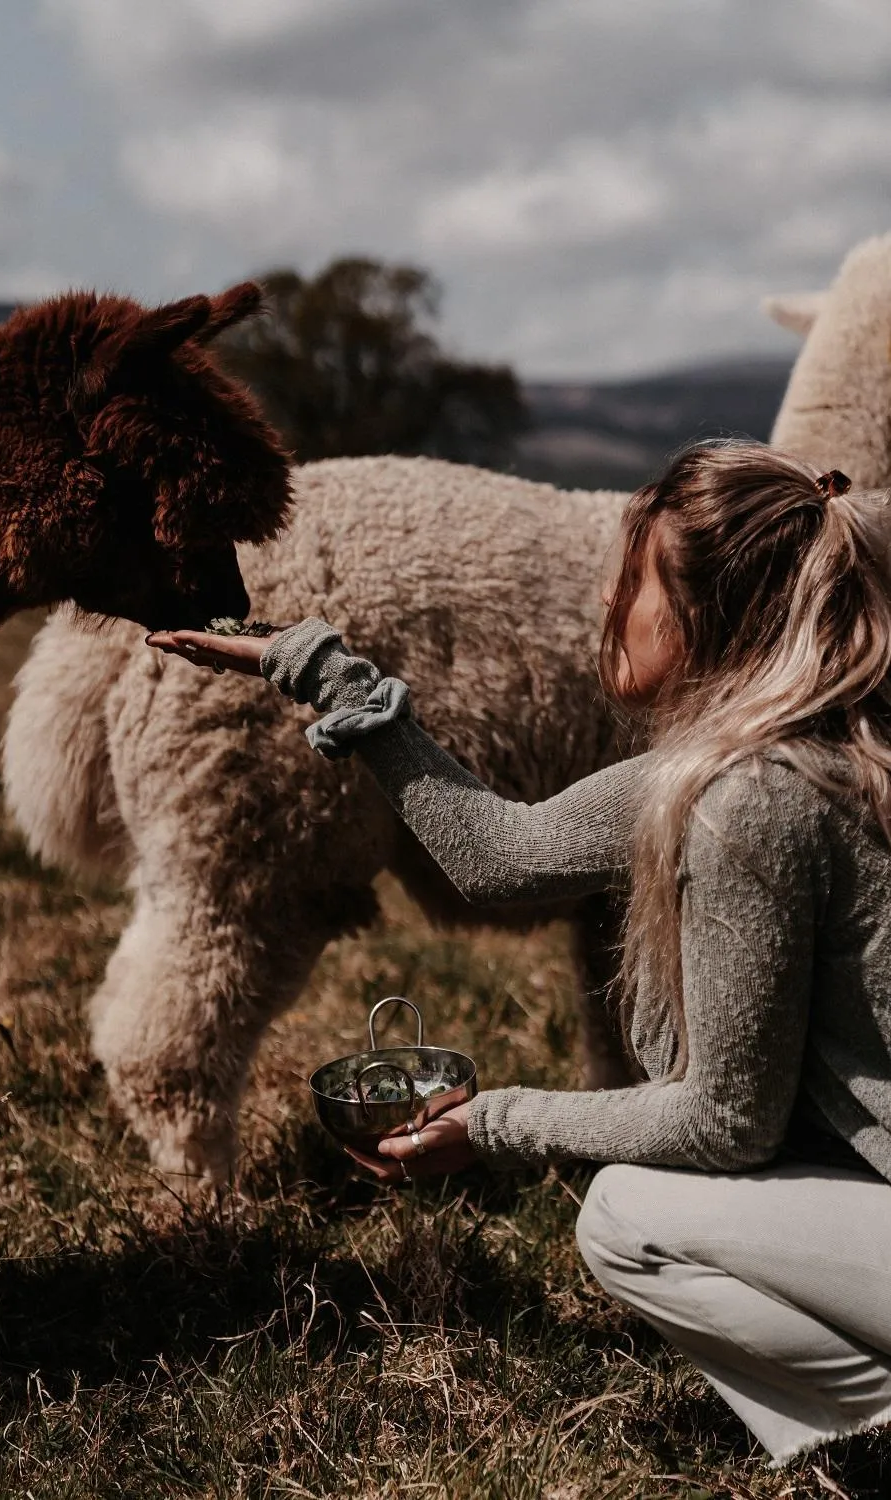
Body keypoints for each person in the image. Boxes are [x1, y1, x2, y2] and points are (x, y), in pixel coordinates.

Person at [147, 440, 891, 1473]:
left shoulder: (750, 803)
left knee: (629, 1215)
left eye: (631, 578)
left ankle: (865, 1444)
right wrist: (330, 676)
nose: (601, 594)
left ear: (704, 615)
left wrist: (489, 1124)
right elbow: (505, 856)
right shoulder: (755, 758)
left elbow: (727, 1120)